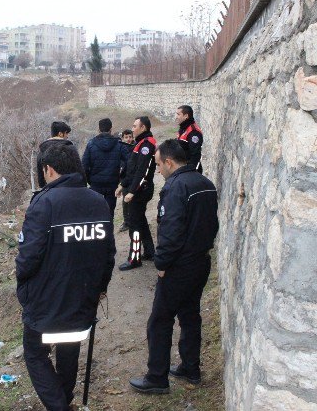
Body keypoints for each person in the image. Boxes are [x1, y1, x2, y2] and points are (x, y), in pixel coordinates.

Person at [16, 142, 116, 411]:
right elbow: (109, 254)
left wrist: (24, 289)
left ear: (48, 170)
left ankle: (60, 406)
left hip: (47, 301)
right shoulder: (98, 201)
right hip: (83, 297)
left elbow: (27, 260)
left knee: (35, 353)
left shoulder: (43, 203)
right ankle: (66, 400)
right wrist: (100, 288)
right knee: (69, 347)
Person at [129, 139, 218, 394]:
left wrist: (162, 263)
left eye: (158, 165)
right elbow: (212, 224)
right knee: (190, 315)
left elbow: (171, 229)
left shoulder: (175, 187)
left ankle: (157, 377)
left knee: (159, 321)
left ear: (169, 162)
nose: (157, 170)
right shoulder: (205, 184)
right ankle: (191, 368)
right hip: (201, 262)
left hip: (180, 266)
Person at [116, 116, 156, 270]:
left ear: (143, 128)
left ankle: (134, 258)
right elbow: (131, 168)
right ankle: (150, 252)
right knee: (140, 220)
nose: (132, 129)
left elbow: (142, 170)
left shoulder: (147, 144)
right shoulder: (140, 143)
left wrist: (132, 191)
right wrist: (123, 184)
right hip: (137, 188)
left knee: (134, 224)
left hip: (141, 190)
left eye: (134, 126)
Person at [81, 118, 127, 218]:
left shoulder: (91, 144)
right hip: (112, 183)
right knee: (109, 213)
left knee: (95, 214)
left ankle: (97, 232)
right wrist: (121, 178)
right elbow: (129, 163)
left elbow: (84, 166)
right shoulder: (119, 144)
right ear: (111, 129)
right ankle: (108, 232)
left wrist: (90, 181)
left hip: (95, 184)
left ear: (99, 129)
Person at [37, 121, 73, 188]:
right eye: (66, 133)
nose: (67, 136)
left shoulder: (42, 151)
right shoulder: (69, 150)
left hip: (49, 191)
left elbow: (41, 179)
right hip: (67, 190)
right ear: (60, 134)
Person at [175, 105, 203, 173]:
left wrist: (190, 174)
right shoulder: (183, 128)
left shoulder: (194, 132)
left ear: (186, 116)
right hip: (182, 168)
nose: (176, 117)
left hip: (189, 172)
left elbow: (195, 156)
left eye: (178, 114)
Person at [118, 129, 134, 232]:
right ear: (123, 138)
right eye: (126, 137)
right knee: (125, 201)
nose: (128, 139)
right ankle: (126, 221)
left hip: (133, 178)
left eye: (130, 137)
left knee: (135, 201)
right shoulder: (120, 149)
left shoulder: (136, 148)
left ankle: (134, 220)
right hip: (124, 179)